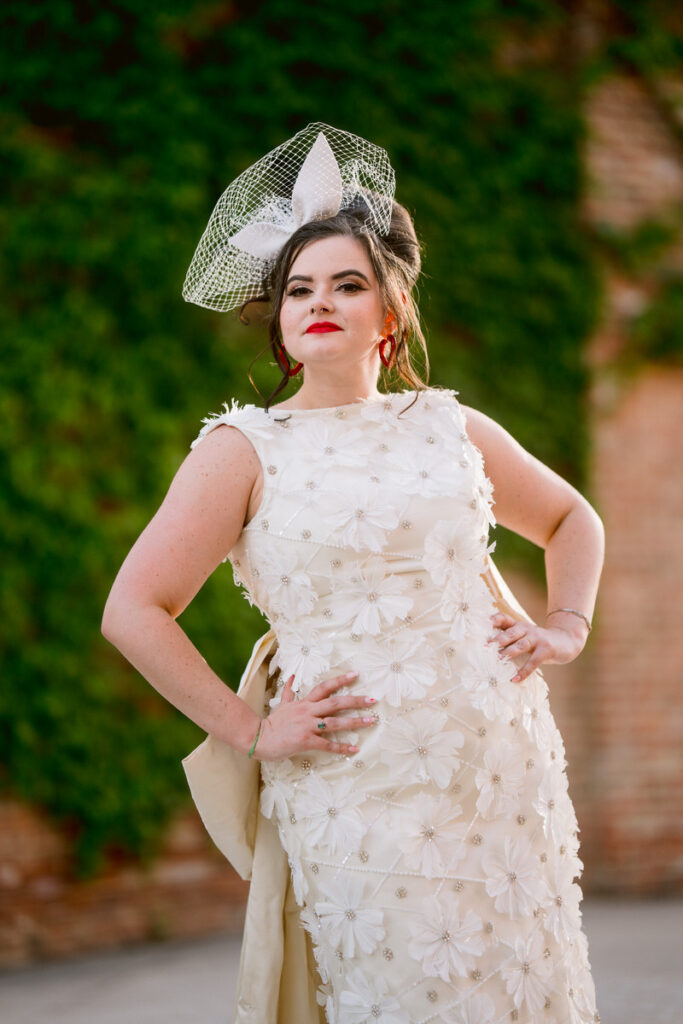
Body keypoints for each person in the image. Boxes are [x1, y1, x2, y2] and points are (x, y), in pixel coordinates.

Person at [102, 123, 604, 1024]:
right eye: (298, 288)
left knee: (520, 990)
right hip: (356, 779)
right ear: (281, 319)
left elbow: (572, 518)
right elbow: (134, 609)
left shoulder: (450, 425)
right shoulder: (244, 449)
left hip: (494, 766)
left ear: (390, 309)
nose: (318, 301)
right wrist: (251, 730)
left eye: (347, 283)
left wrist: (565, 624)